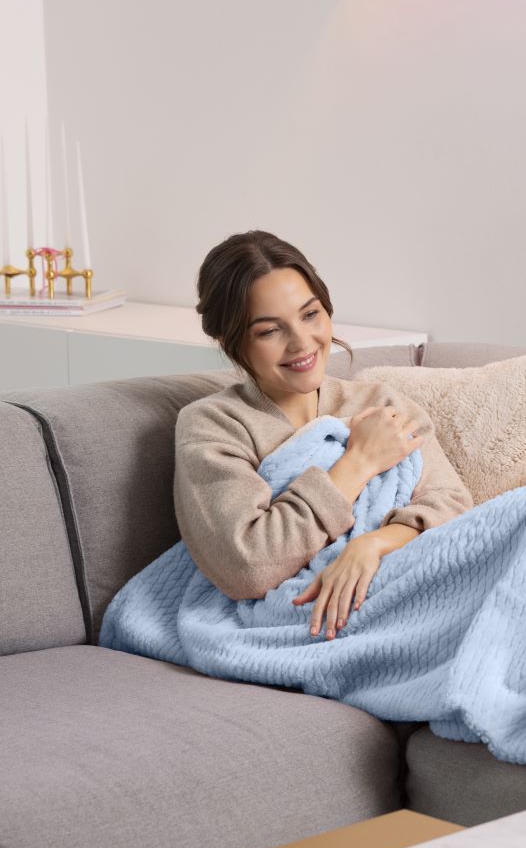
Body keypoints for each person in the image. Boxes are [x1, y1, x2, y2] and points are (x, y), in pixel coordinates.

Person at [175, 230, 473, 639]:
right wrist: (360, 462)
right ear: (231, 342)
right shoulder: (215, 425)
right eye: (269, 331)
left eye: (311, 314)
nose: (302, 342)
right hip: (320, 618)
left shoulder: (380, 402)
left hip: (411, 580)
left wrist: (371, 546)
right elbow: (246, 565)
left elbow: (455, 505)